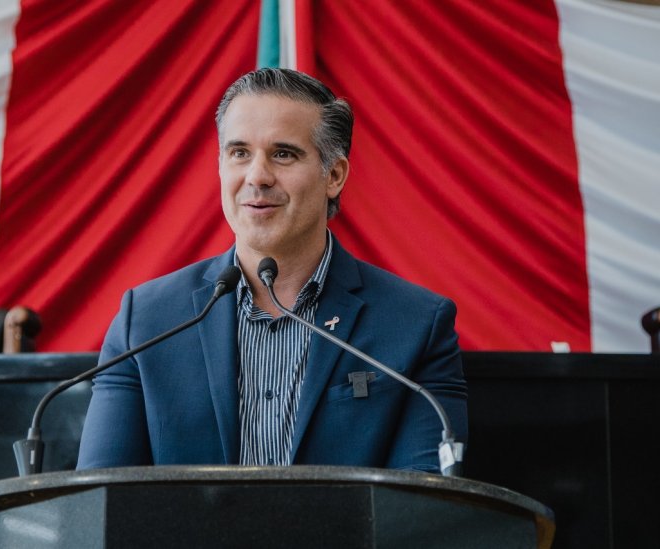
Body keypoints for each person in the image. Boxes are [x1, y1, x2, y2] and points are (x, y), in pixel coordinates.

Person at [77, 68, 467, 472]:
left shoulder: (416, 325)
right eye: (239, 153)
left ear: (334, 176)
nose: (257, 177)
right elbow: (100, 495)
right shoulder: (146, 321)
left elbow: (421, 503)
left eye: (283, 154)